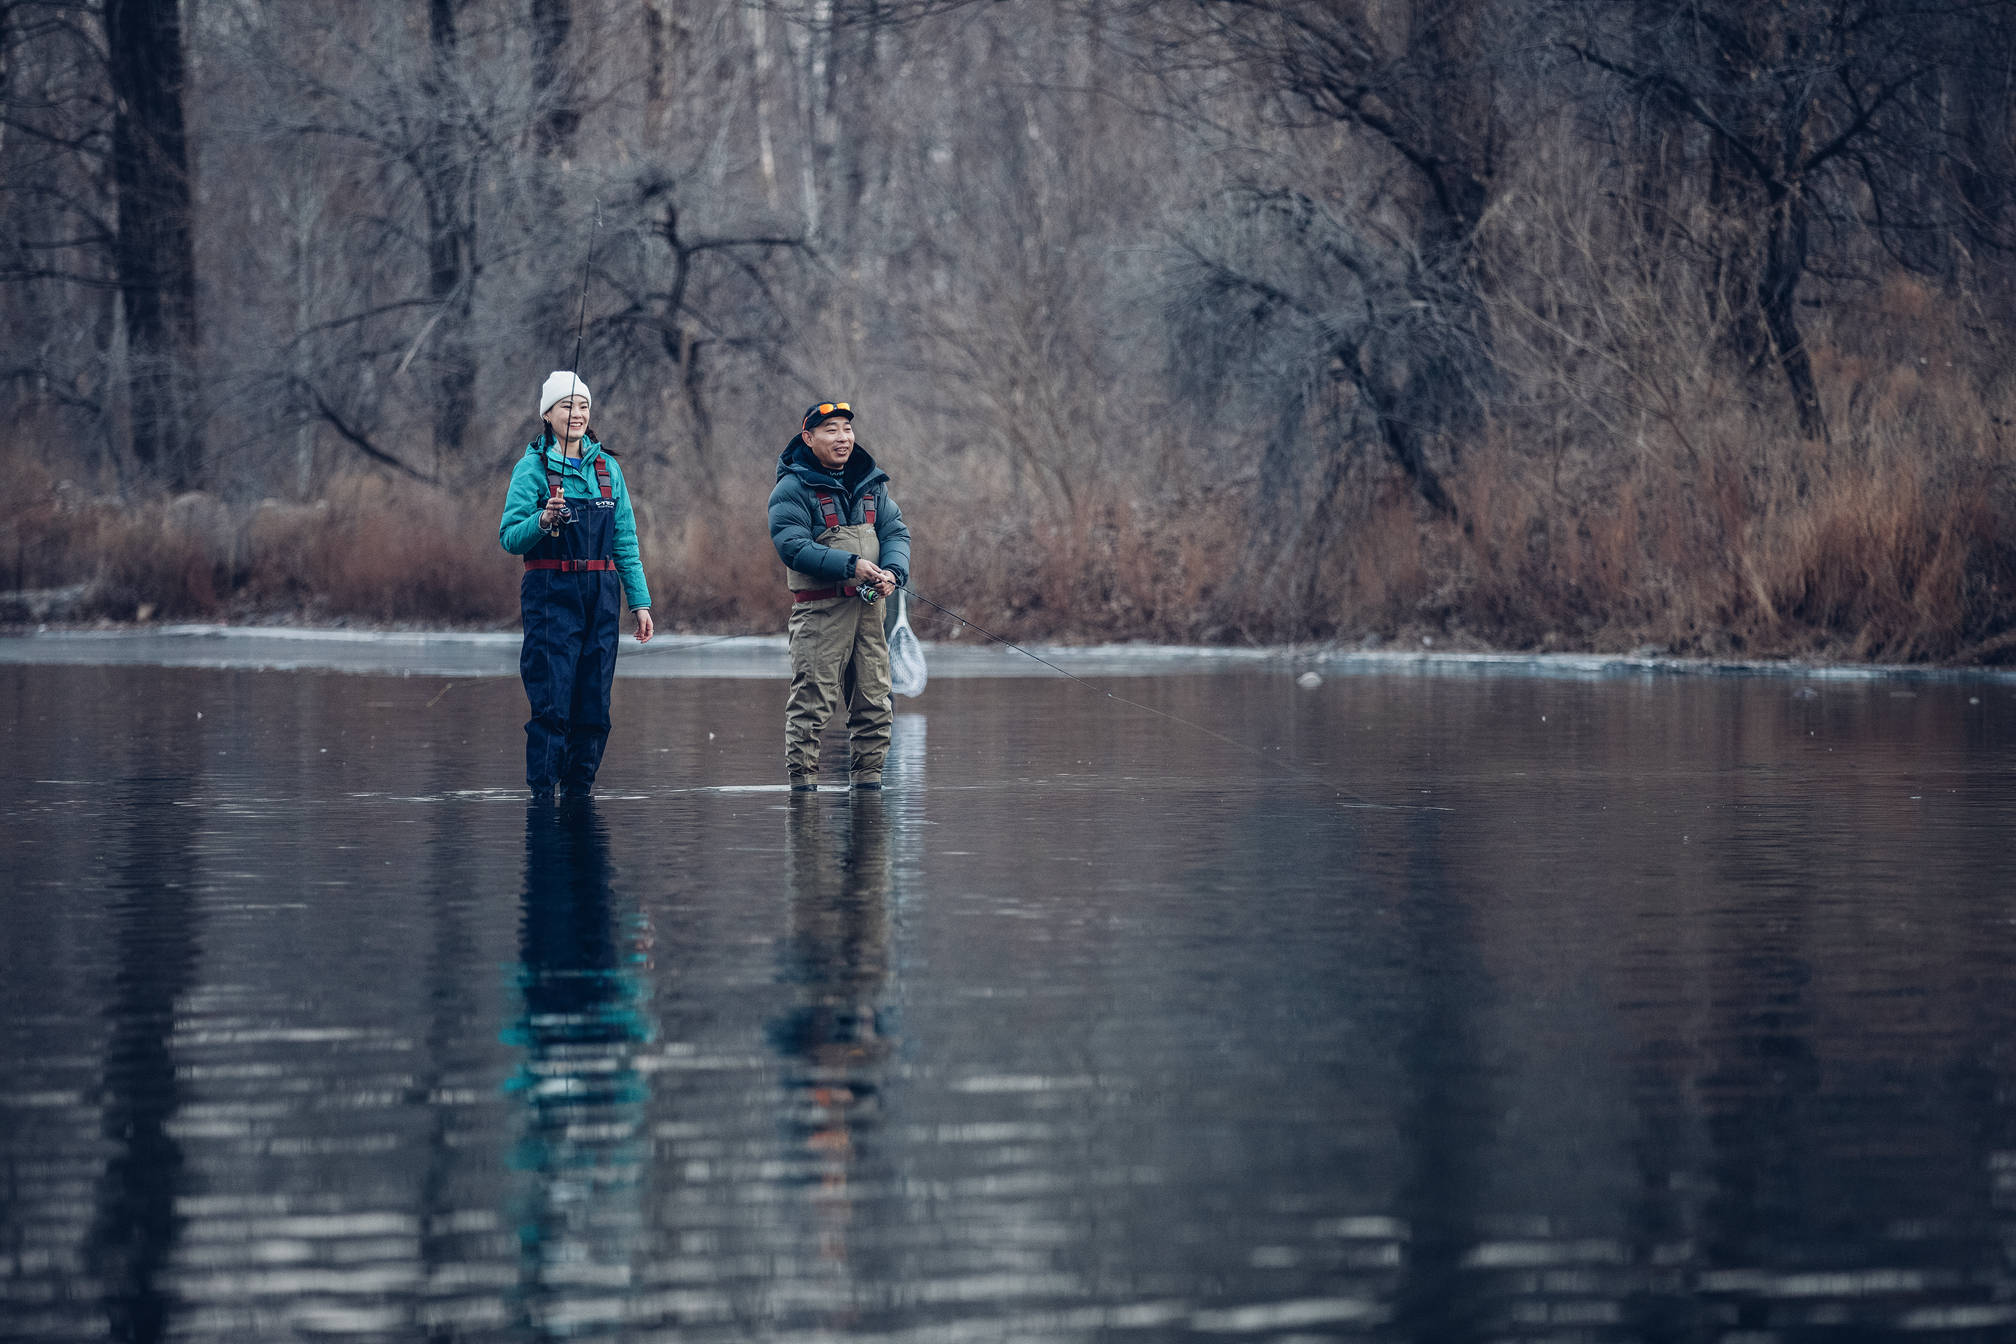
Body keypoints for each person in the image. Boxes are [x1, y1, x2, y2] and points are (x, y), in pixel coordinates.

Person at [500, 371, 655, 801]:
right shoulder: (530, 469)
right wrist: (543, 520)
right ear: (547, 414)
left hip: (603, 597)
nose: (577, 414)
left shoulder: (608, 469)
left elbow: (625, 541)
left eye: (583, 406)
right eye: (567, 406)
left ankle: (579, 794)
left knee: (594, 708)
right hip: (551, 594)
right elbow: (510, 537)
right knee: (551, 705)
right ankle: (542, 797)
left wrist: (639, 603)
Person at [767, 400, 911, 792]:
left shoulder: (872, 484)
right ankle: (803, 790)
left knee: (875, 702)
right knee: (811, 704)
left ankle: (869, 786)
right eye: (831, 430)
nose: (842, 437)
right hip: (819, 613)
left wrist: (894, 573)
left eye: (846, 429)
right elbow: (793, 546)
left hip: (869, 610)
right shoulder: (791, 488)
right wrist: (851, 565)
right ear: (808, 438)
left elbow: (895, 533)